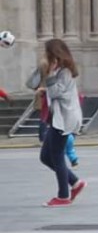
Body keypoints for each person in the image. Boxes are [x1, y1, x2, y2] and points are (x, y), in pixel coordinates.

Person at [31, 39, 86, 207]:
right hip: (59, 118)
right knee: (45, 156)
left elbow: (56, 92)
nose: (45, 57)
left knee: (56, 156)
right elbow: (36, 84)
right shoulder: (61, 72)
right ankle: (75, 183)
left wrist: (50, 76)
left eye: (47, 53)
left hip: (64, 119)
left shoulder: (64, 72)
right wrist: (44, 82)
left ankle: (63, 196)